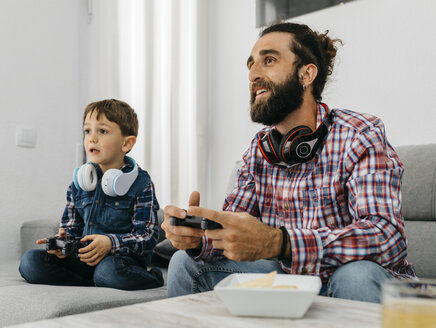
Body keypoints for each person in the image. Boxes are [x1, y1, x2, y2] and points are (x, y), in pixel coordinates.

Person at [162, 22, 416, 303]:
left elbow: (385, 236)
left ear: (306, 74)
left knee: (354, 276)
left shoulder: (360, 134)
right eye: (251, 65)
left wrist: (280, 242)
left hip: (352, 281)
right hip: (291, 283)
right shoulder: (258, 151)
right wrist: (198, 239)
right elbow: (234, 231)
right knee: (185, 264)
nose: (253, 74)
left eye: (268, 60)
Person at [19, 99, 164, 290]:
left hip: (120, 261)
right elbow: (72, 229)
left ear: (126, 143)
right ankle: (93, 279)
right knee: (30, 262)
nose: (92, 138)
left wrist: (110, 243)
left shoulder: (141, 184)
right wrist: (63, 242)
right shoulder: (80, 183)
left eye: (102, 131)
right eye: (88, 131)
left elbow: (147, 236)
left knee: (107, 271)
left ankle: (152, 277)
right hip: (84, 259)